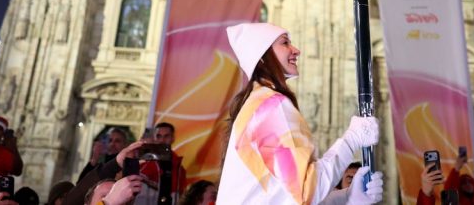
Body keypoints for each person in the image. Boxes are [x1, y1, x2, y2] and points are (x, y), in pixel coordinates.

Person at [217, 22, 382, 204]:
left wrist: (345, 198)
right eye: (285, 43)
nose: (296, 50)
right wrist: (352, 140)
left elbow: (287, 196)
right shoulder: (270, 106)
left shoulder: (258, 102)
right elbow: (304, 190)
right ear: (263, 55)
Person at [138, 122, 186, 199]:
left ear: (173, 138)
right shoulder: (144, 162)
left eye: (166, 136)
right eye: (158, 136)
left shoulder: (179, 167)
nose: (162, 140)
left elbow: (179, 194)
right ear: (154, 138)